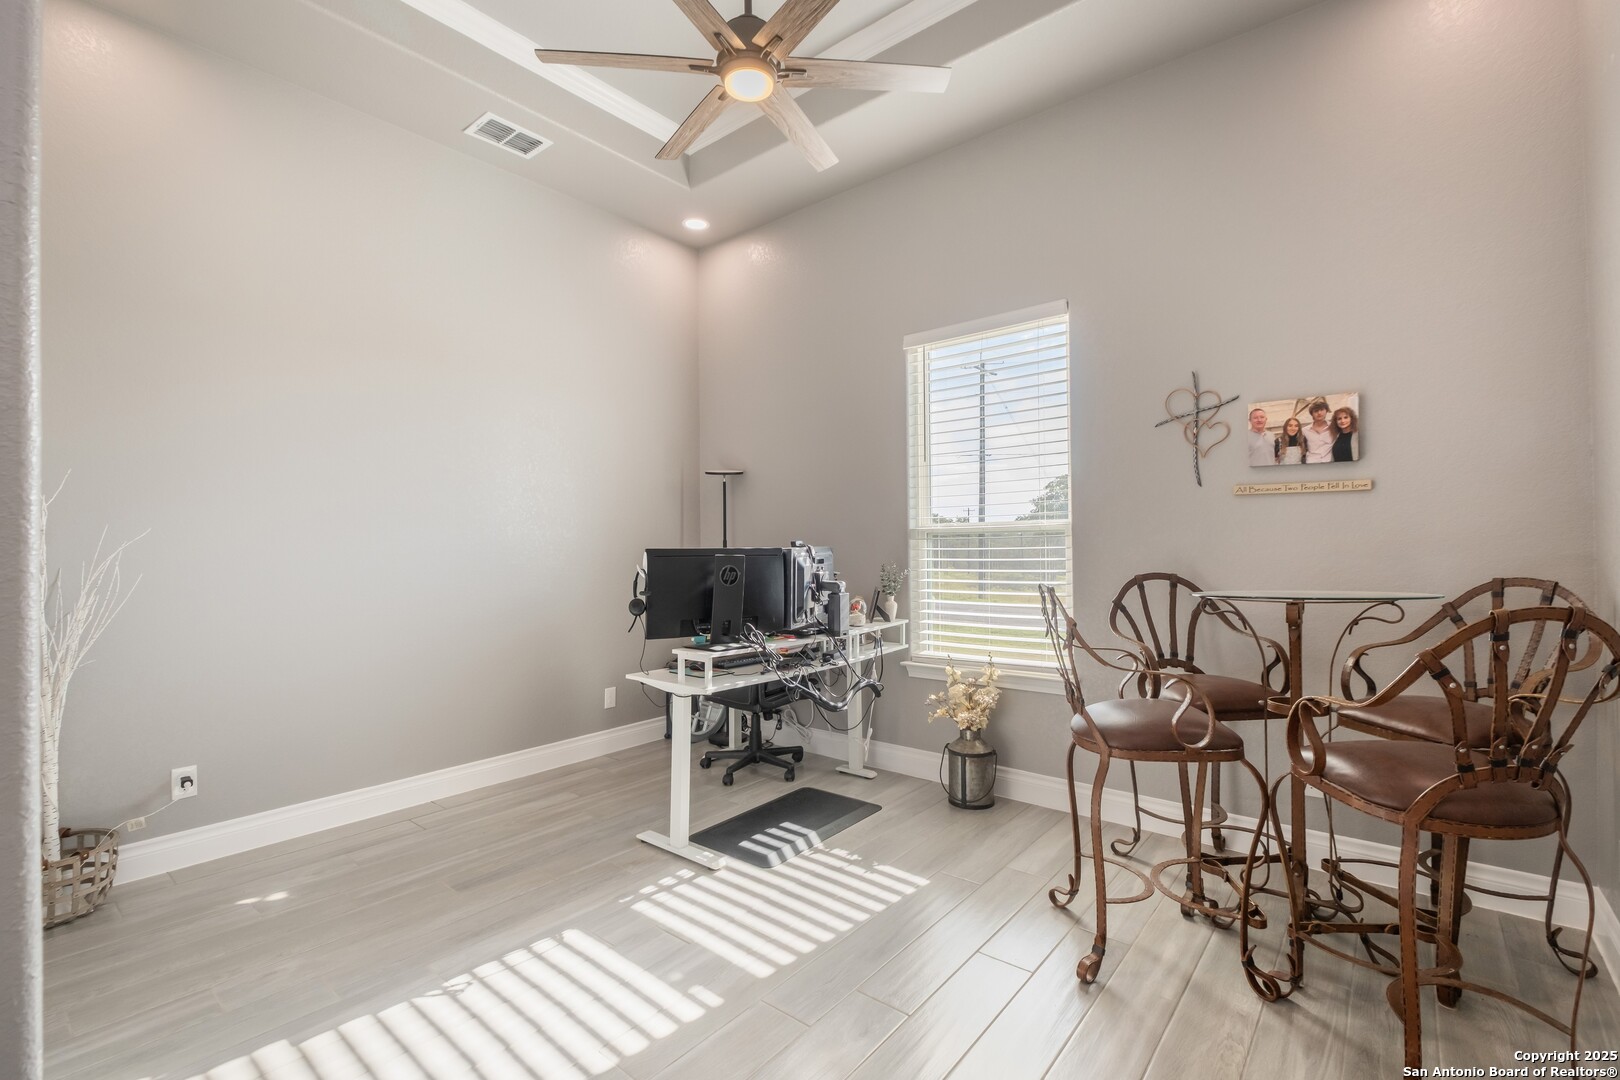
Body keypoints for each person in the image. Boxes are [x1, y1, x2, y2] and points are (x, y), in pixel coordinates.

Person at [1301, 398, 1336, 463]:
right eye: (1316, 411)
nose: (1319, 413)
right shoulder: (1304, 430)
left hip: (1329, 462)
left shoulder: (1334, 427)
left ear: (1326, 411)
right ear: (1312, 414)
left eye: (1322, 410)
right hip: (1311, 462)